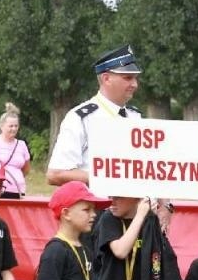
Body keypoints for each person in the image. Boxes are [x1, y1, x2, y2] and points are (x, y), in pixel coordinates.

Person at [46, 46, 144, 187]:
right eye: (127, 78)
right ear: (106, 78)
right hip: (97, 206)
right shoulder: (81, 118)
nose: (134, 84)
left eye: (135, 78)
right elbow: (56, 173)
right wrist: (107, 178)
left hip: (135, 207)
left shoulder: (135, 116)